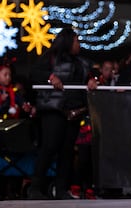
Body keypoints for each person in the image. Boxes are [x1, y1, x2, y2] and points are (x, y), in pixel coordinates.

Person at [28, 27, 98, 200]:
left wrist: (93, 79)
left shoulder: (82, 62)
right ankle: (35, 188)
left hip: (75, 111)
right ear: (68, 41)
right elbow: (34, 73)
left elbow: (94, 71)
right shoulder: (51, 58)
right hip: (54, 109)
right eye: (76, 40)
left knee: (67, 151)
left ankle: (61, 188)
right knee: (49, 147)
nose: (78, 44)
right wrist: (50, 77)